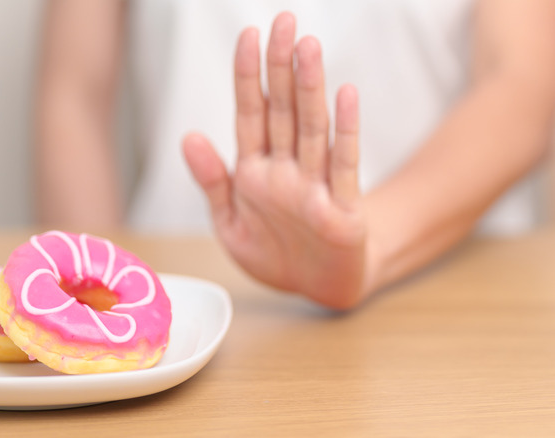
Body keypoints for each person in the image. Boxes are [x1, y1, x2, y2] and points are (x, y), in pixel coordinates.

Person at [34, 0, 555, 309]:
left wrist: (369, 242)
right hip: (179, 299)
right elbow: (72, 98)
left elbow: (526, 81)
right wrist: (92, 303)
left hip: (450, 299)